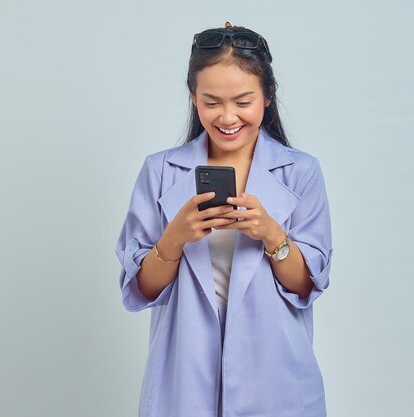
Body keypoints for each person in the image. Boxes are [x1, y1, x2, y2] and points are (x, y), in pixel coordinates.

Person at [115, 22, 333, 417]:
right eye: (211, 102)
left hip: (275, 376)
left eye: (242, 101)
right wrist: (174, 239)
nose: (227, 116)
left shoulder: (300, 173)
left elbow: (307, 286)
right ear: (193, 97)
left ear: (267, 96)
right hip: (185, 375)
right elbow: (141, 289)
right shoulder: (160, 171)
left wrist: (272, 235)